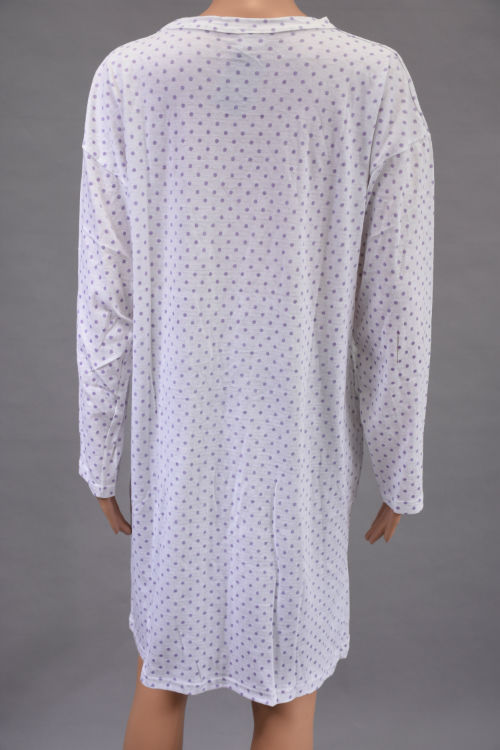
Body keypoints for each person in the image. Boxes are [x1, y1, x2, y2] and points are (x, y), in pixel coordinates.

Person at [76, 1, 434, 748]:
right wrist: (400, 468)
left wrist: (100, 451)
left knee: (159, 679)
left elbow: (105, 299)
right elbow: (395, 304)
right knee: (287, 699)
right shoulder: (370, 78)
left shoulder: (129, 76)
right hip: (296, 459)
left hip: (179, 451)